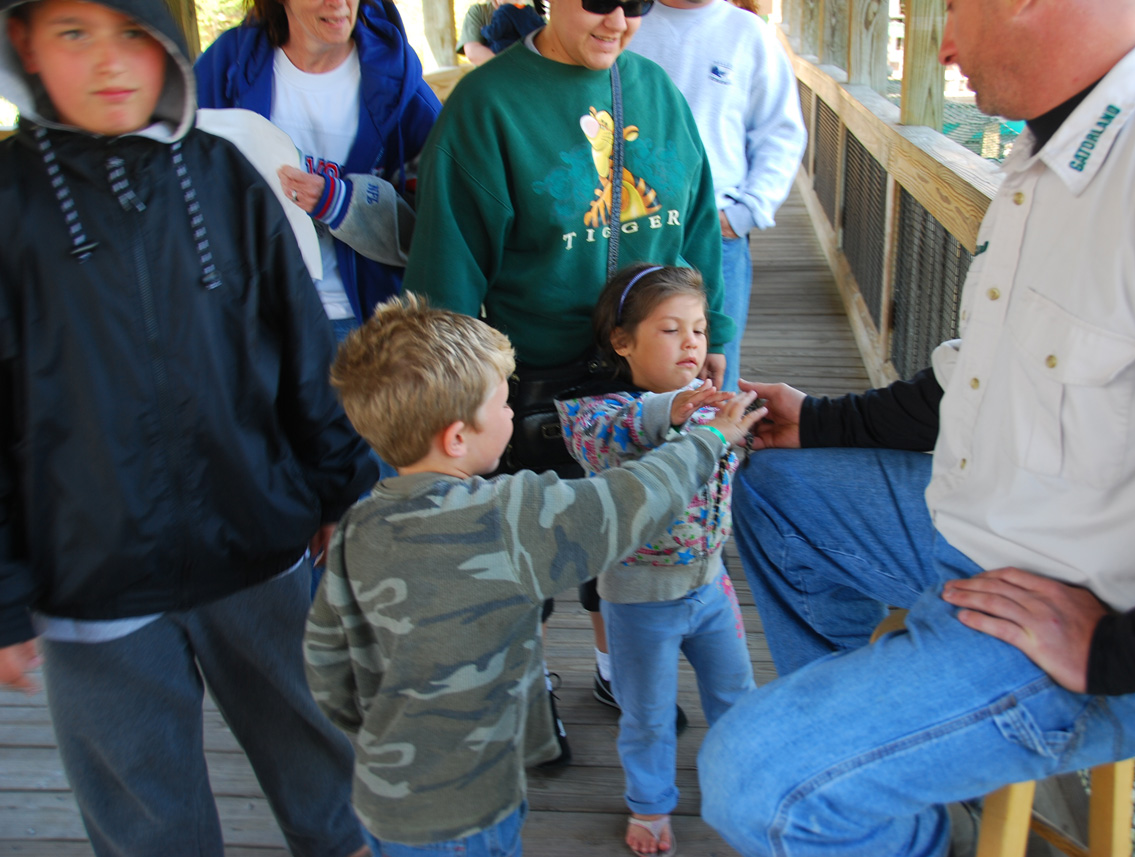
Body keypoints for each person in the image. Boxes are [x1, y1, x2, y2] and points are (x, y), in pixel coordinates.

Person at [695, 0, 1135, 854]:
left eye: (953, 10)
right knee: (776, 485)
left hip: (1095, 612)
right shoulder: (1048, 153)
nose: (949, 44)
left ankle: (867, 795)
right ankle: (885, 779)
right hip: (970, 531)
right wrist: (819, 420)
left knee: (754, 779)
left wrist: (1122, 653)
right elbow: (978, 374)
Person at [0, 0, 379, 853]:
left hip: (259, 543)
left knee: (325, 763)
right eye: (73, 34)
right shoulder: (8, 205)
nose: (109, 62)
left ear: (170, 44)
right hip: (90, 588)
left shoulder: (222, 174)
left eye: (134, 34)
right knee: (146, 816)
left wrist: (337, 488)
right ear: (22, 43)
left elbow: (301, 346)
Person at [304, 295, 765, 856]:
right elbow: (625, 501)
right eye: (503, 405)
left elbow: (329, 667)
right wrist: (709, 438)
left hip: (385, 796)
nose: (513, 416)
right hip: (473, 803)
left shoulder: (358, 527)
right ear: (456, 437)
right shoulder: (507, 517)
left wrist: (376, 734)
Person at [404, 0, 732, 763]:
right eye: (598, 0)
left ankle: (619, 667)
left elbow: (699, 221)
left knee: (629, 532)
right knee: (525, 546)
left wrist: (710, 325)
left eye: (638, 3)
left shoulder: (655, 91)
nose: (618, 18)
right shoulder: (487, 106)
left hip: (644, 380)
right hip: (536, 383)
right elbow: (446, 265)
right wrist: (453, 397)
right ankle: (526, 686)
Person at [555, 264, 757, 856]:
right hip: (639, 600)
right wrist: (669, 409)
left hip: (712, 587)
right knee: (646, 714)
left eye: (698, 329)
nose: (692, 342)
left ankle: (744, 781)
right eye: (671, 330)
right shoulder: (602, 413)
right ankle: (650, 805)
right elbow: (595, 436)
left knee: (736, 695)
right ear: (623, 342)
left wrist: (744, 424)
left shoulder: (711, 408)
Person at [195, 0, 442, 340]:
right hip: (255, 317)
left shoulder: (404, 92)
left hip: (364, 323)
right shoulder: (227, 66)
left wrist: (341, 203)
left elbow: (439, 231)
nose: (339, 4)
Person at [627, 0, 805, 393]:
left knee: (712, 370)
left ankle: (713, 453)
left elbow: (781, 131)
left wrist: (746, 211)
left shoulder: (750, 32)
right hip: (631, 229)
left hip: (718, 235)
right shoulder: (624, 23)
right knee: (628, 363)